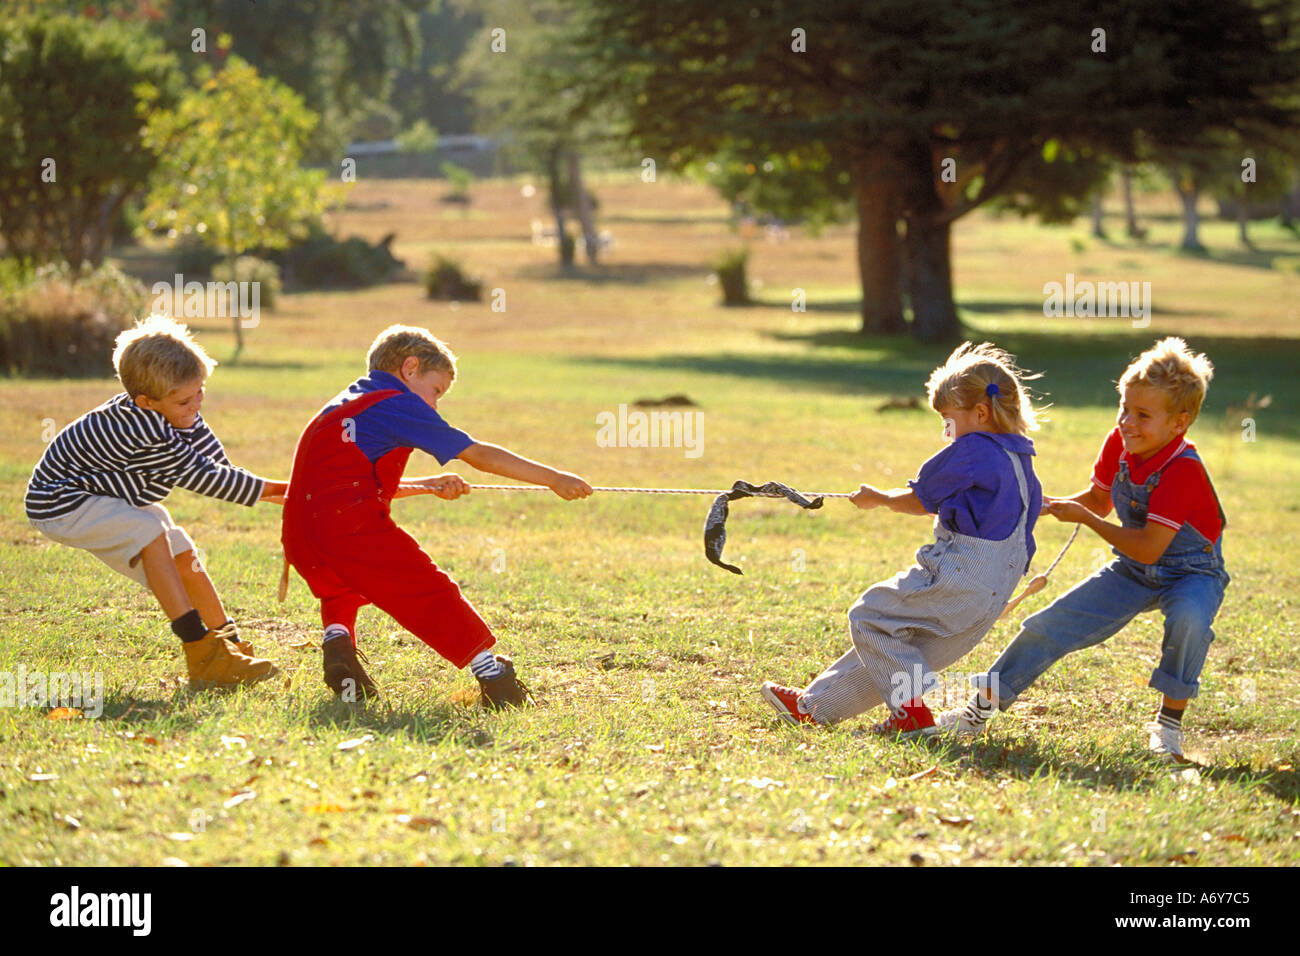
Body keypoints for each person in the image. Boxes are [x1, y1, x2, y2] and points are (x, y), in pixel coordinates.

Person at [939, 338, 1227, 762]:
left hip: (1192, 571)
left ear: (1179, 424)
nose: (1128, 422)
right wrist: (1034, 505)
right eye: (1124, 408)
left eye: (1143, 415)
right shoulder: (1120, 443)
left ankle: (1167, 727)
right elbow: (1097, 500)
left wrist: (1089, 521)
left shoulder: (1183, 470)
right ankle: (977, 709)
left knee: (1189, 620)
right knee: (1048, 624)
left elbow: (1145, 545)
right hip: (1133, 569)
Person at [281, 325, 592, 707]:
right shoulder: (396, 402)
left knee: (344, 582)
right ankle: (494, 679)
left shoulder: (343, 404)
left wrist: (426, 484)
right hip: (349, 528)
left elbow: (347, 482)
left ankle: (338, 647)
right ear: (409, 368)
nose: (434, 405)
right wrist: (553, 478)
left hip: (301, 532)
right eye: (436, 391)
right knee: (427, 589)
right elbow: (479, 455)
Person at [760, 342, 1043, 737]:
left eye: (948, 420)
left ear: (980, 413)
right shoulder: (1021, 459)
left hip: (959, 576)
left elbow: (920, 498)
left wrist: (878, 499)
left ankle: (912, 715)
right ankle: (815, 707)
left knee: (870, 616)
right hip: (989, 595)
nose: (948, 431)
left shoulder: (973, 449)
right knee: (895, 652)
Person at [25, 314, 284, 689]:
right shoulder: (142, 427)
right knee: (149, 530)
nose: (196, 403)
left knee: (180, 548)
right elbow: (204, 477)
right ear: (146, 401)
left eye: (200, 391)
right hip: (61, 502)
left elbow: (217, 465)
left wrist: (290, 495)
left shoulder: (176, 407)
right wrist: (289, 492)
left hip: (100, 493)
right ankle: (201, 653)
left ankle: (229, 645)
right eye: (185, 399)